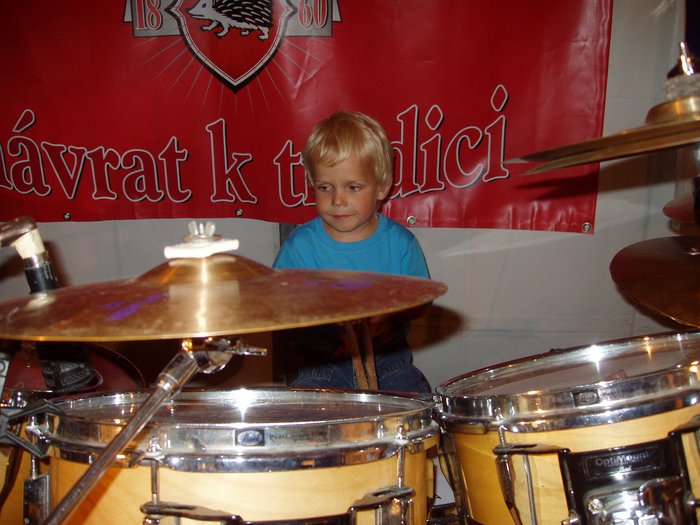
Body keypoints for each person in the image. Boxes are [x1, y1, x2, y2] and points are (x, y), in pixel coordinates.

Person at [273, 110, 431, 392]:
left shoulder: (400, 244)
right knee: (304, 405)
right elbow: (275, 305)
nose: (337, 200)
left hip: (388, 360)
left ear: (382, 187)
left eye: (353, 187)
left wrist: (387, 320)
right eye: (325, 187)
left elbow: (421, 301)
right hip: (322, 363)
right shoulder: (300, 246)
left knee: (415, 398)